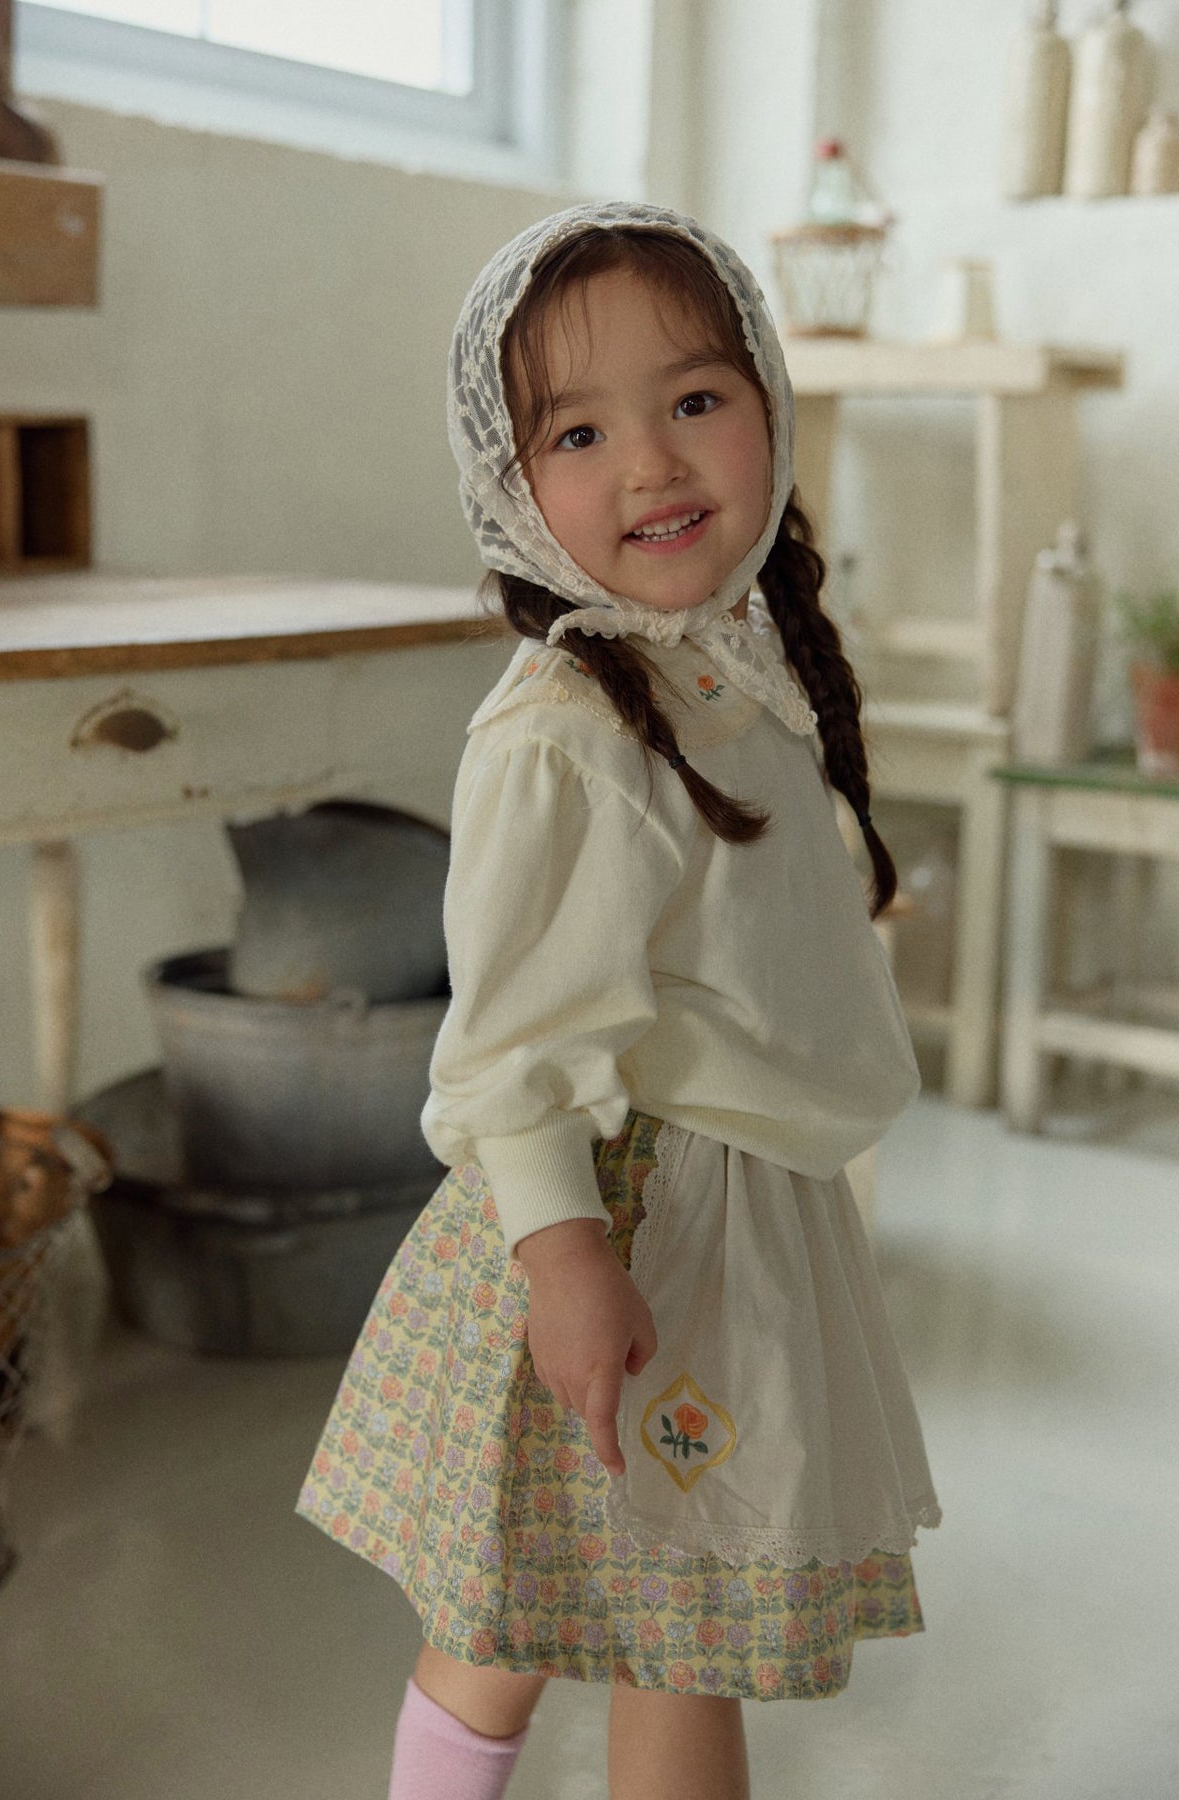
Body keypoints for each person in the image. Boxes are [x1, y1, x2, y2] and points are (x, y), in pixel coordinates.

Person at [296, 200, 942, 1800]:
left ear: (768, 405)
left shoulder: (734, 660)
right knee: (604, 1623)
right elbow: (513, 1043)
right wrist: (566, 1259)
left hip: (738, 1218)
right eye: (579, 432)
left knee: (596, 1612)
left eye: (696, 399)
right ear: (512, 487)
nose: (652, 462)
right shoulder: (569, 731)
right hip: (628, 1229)